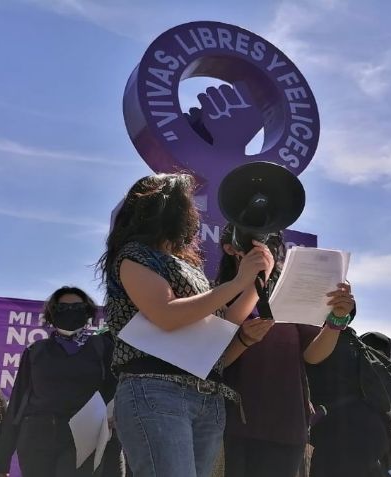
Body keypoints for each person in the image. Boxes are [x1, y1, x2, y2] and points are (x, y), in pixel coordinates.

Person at [97, 173, 274, 477]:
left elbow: (220, 325)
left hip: (206, 396)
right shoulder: (133, 256)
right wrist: (240, 281)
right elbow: (165, 314)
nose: (192, 211)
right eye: (185, 203)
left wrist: (259, 280)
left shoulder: (189, 265)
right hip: (155, 389)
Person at [216, 225, 357, 477]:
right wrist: (244, 339)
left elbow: (313, 355)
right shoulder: (217, 294)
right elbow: (212, 360)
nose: (264, 248)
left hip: (286, 427)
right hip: (231, 427)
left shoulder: (288, 292)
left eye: (270, 242)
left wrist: (337, 319)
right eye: (253, 241)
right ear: (230, 248)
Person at [0, 286, 121, 477]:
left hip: (83, 438)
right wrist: (1, 461)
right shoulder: (35, 350)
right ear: (51, 314)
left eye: (77, 307)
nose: (70, 312)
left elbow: (114, 392)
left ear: (87, 312)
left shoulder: (102, 347)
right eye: (62, 308)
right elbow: (18, 403)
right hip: (36, 438)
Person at [306, 308, 391, 477]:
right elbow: (380, 397)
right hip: (368, 440)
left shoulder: (328, 346)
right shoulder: (356, 346)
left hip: (341, 441)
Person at [360, 331, 391, 473]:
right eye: (373, 353)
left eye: (382, 355)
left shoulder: (387, 380)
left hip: (380, 454)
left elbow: (386, 404)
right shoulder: (350, 374)